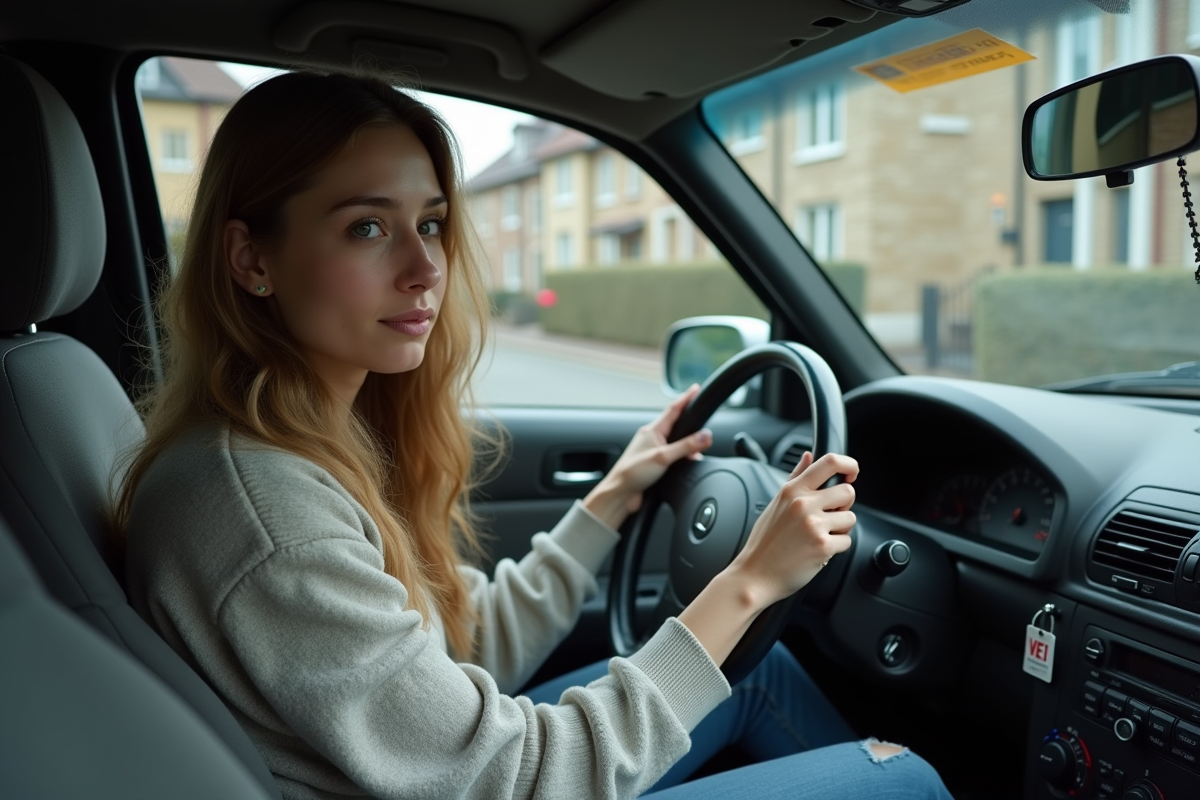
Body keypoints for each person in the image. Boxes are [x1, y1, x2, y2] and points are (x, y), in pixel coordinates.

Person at [116, 70, 953, 800]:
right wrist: (751, 580)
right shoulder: (267, 511)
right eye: (367, 227)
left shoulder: (294, 445)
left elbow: (457, 650)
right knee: (901, 778)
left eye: (432, 223)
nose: (425, 267)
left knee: (753, 671)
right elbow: (513, 779)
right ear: (250, 259)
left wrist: (612, 499)